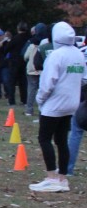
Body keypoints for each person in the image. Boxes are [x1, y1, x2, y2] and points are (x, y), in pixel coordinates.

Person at [29, 21, 86, 192]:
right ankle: (62, 178)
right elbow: (83, 79)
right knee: (62, 140)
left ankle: (51, 177)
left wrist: (40, 99)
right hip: (71, 103)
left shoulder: (56, 55)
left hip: (54, 104)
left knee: (44, 138)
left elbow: (48, 82)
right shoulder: (78, 54)